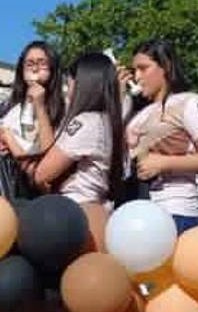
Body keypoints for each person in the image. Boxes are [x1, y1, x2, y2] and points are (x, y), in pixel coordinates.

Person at [119, 39, 198, 233]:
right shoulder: (139, 110)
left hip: (175, 212)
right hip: (136, 210)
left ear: (165, 67)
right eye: (134, 71)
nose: (137, 76)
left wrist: (164, 163)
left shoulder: (190, 103)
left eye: (143, 69)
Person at [16, 52, 124, 206]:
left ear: (83, 84)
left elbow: (42, 173)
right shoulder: (108, 121)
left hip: (77, 207)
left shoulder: (86, 122)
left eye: (70, 83)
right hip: (97, 206)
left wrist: (13, 144)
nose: (68, 90)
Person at [0, 40, 65, 157]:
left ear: (53, 70)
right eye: (29, 64)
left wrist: (40, 106)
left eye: (42, 64)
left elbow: (50, 153)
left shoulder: (64, 109)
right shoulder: (7, 107)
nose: (35, 69)